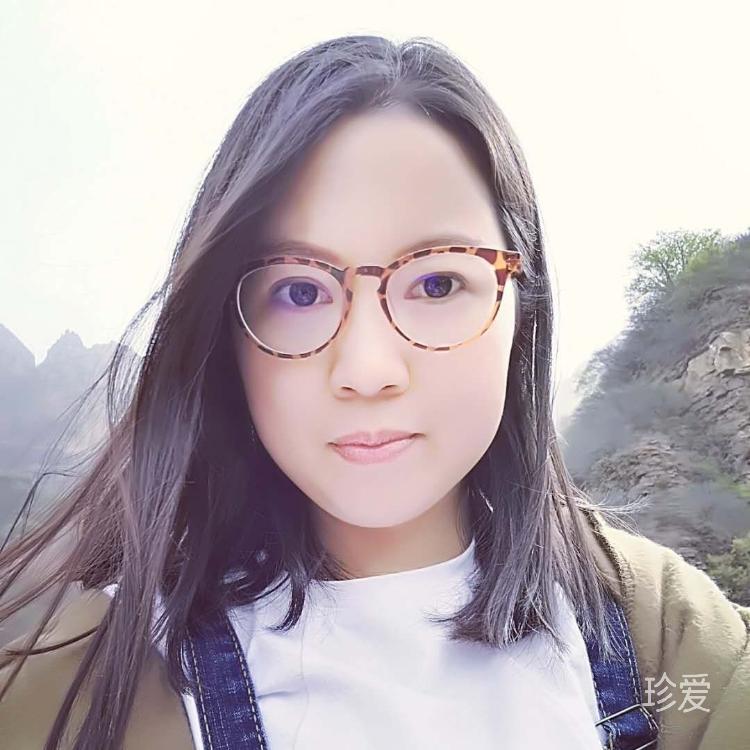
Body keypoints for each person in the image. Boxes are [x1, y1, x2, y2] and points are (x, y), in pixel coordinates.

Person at [0, 34, 748, 750]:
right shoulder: (80, 688)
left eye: (438, 282)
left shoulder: (666, 635)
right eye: (298, 291)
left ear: (523, 308)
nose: (366, 368)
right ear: (226, 334)